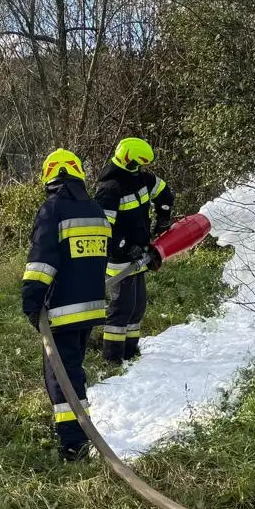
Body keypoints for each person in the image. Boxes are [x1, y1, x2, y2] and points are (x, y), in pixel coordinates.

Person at [22, 148, 110, 462]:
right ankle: (78, 433)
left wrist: (31, 300)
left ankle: (73, 445)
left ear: (49, 178)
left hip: (61, 310)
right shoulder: (96, 210)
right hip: (91, 308)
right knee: (72, 371)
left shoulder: (52, 210)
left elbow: (42, 262)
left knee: (61, 377)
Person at [93, 136, 175, 363]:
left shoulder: (142, 178)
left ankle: (131, 352)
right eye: (137, 164)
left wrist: (163, 217)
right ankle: (113, 359)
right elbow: (103, 230)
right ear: (128, 160)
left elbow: (165, 193)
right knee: (121, 309)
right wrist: (123, 248)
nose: (141, 169)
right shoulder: (110, 189)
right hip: (120, 260)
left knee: (137, 308)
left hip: (141, 254)